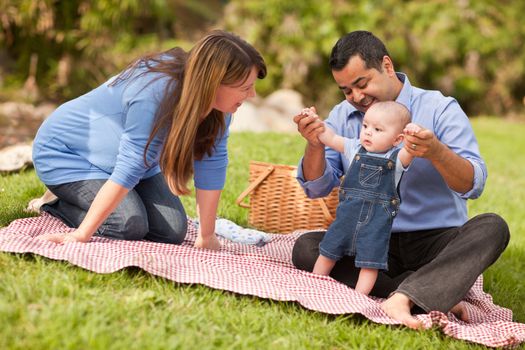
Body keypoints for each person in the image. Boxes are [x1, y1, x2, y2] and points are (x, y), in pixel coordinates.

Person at [292, 30, 509, 329]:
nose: (356, 97)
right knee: (306, 247)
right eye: (346, 90)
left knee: (493, 227)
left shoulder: (439, 108)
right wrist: (314, 143)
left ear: (387, 65)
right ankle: (423, 290)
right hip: (368, 237)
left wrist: (436, 152)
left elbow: (473, 185)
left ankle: (408, 293)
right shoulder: (342, 116)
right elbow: (317, 187)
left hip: (434, 240)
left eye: (362, 83)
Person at [31, 30, 266, 250]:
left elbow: (211, 163)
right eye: (245, 87)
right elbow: (130, 166)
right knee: (126, 225)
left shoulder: (220, 108)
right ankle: (55, 203)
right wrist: (81, 235)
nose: (252, 95)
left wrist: (207, 236)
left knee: (172, 231)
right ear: (214, 81)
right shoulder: (154, 91)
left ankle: (101, 202)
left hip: (125, 164)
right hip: (69, 155)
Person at [303, 102, 419, 295]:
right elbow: (329, 137)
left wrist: (413, 134)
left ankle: (359, 297)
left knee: (370, 262)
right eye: (365, 126)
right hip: (347, 216)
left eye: (378, 129)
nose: (368, 132)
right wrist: (315, 122)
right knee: (328, 249)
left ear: (397, 139)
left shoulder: (397, 159)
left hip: (376, 223)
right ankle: (314, 284)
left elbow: (412, 149)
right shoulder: (354, 148)